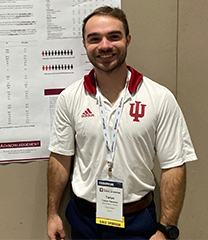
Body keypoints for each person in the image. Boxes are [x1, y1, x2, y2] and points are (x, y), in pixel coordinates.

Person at [47, 6, 197, 240]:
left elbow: (174, 164)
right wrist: (52, 213)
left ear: (127, 39)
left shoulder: (159, 97)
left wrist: (166, 229)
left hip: (137, 220)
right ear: (85, 44)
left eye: (113, 36)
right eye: (94, 39)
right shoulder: (70, 97)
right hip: (84, 219)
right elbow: (60, 158)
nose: (104, 45)